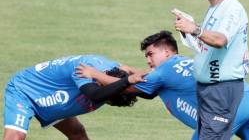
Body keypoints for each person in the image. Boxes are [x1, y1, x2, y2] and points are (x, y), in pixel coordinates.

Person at [76, 31, 249, 140]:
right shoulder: (178, 64)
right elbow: (153, 79)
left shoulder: (166, 70)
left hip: (226, 108)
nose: (148, 60)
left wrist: (94, 74)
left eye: (150, 54)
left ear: (168, 52)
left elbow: (130, 87)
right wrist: (131, 69)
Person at [172, 0, 249, 139]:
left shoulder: (232, 9)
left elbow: (220, 40)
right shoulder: (216, 7)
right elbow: (207, 44)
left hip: (221, 90)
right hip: (210, 89)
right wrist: (191, 31)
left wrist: (195, 29)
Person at [2, 54, 146, 140]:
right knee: (15, 137)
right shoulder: (86, 69)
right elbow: (94, 95)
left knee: (78, 134)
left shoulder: (115, 76)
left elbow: (147, 81)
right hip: (25, 90)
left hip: (55, 100)